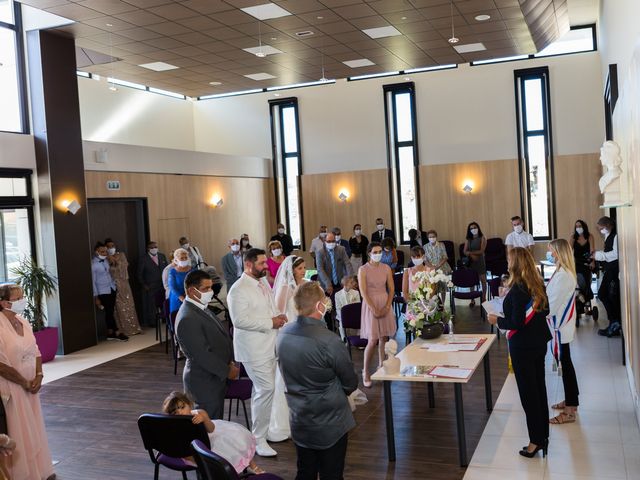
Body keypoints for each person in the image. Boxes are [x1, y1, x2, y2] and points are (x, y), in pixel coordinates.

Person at [277, 281, 359, 480]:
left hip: (299, 416)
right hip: (329, 421)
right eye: (324, 300)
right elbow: (350, 382)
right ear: (318, 306)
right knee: (332, 473)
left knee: (305, 471)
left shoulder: (283, 334)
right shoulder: (329, 340)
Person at [487, 247, 551, 458]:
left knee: (528, 394)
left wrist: (497, 319)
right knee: (539, 390)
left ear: (515, 263)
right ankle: (543, 436)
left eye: (509, 259)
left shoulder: (517, 289)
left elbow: (516, 322)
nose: (506, 262)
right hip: (539, 342)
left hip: (522, 346)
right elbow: (546, 310)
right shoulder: (537, 283)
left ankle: (535, 441)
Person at [227, 248, 290, 457]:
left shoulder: (262, 282)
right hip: (253, 349)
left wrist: (277, 316)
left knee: (261, 390)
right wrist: (270, 322)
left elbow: (269, 306)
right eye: (262, 263)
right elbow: (239, 321)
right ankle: (259, 438)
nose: (266, 266)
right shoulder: (238, 289)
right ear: (248, 264)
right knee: (266, 389)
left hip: (269, 344)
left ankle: (260, 433)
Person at [0, 284, 55, 480]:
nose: (22, 301)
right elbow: (1, 365)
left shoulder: (23, 321)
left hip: (31, 384)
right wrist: (23, 382)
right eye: (17, 298)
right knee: (19, 428)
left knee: (34, 425)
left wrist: (38, 375)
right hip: (12, 387)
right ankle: (23, 473)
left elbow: (36, 351)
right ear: (4, 302)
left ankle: (39, 469)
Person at [175, 270, 236, 420]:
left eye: (210, 287)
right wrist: (226, 371)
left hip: (214, 377)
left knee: (216, 424)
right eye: (205, 289)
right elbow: (201, 355)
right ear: (191, 291)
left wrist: (230, 362)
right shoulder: (187, 318)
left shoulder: (201, 306)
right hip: (204, 382)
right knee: (209, 430)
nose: (210, 292)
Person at [162, 391, 264, 475]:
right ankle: (223, 472)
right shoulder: (174, 424)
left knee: (234, 440)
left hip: (210, 436)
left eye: (182, 407)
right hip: (193, 448)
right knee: (216, 457)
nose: (180, 412)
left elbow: (211, 429)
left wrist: (204, 420)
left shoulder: (199, 413)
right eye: (175, 412)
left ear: (189, 404)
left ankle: (252, 466)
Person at [545, 239, 580, 425]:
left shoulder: (564, 275)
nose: (549, 254)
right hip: (560, 326)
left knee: (566, 366)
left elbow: (550, 306)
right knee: (566, 364)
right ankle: (571, 401)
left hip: (561, 327)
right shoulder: (561, 272)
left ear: (559, 253)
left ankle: (570, 411)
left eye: (551, 251)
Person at [359, 242, 396, 388]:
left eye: (380, 251)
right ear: (369, 253)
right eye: (375, 252)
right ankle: (366, 371)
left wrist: (387, 305)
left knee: (383, 337)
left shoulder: (386, 268)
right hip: (370, 303)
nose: (378, 254)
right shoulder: (363, 269)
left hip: (384, 300)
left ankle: (381, 365)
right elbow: (363, 291)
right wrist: (373, 308)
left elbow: (392, 289)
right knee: (372, 340)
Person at [105, 238, 142, 336]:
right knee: (118, 307)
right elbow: (107, 271)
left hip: (124, 284)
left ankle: (134, 327)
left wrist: (115, 261)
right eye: (108, 247)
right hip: (113, 285)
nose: (111, 248)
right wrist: (110, 259)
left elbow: (124, 267)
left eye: (112, 246)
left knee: (129, 305)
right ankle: (122, 329)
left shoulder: (121, 255)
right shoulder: (105, 258)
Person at [92, 242, 128, 341]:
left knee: (110, 311)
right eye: (102, 252)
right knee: (109, 312)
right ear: (97, 252)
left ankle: (110, 333)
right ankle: (117, 332)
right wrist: (96, 298)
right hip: (102, 291)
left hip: (111, 288)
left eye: (105, 251)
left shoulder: (106, 261)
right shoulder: (93, 265)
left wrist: (110, 257)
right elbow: (93, 282)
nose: (104, 253)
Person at [594, 216, 621, 337]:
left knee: (607, 295)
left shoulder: (616, 236)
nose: (601, 231)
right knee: (604, 294)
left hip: (614, 270)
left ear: (608, 226)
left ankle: (615, 322)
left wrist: (600, 256)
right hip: (609, 269)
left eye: (601, 228)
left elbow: (616, 254)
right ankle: (613, 322)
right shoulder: (609, 235)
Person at [137, 240, 169, 327]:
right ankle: (152, 322)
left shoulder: (162, 256)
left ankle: (165, 318)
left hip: (163, 284)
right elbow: (139, 274)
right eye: (152, 247)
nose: (154, 249)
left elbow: (167, 269)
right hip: (150, 286)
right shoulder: (143, 259)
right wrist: (144, 285)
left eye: (155, 247)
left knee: (164, 302)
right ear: (148, 249)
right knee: (151, 304)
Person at [569, 220, 595, 313]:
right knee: (578, 279)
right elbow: (569, 251)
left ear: (584, 226)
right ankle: (579, 296)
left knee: (586, 279)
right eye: (576, 226)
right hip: (576, 263)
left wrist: (592, 261)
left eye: (580, 226)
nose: (578, 228)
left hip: (587, 262)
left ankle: (586, 298)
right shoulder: (573, 237)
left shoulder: (589, 236)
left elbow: (592, 250)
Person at [274, 256, 308, 323]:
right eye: (300, 268)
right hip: (290, 323)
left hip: (306, 321)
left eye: (304, 267)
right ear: (292, 270)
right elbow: (279, 312)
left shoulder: (306, 284)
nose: (303, 270)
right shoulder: (285, 288)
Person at [463, 222, 487, 303]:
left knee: (483, 280)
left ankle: (483, 297)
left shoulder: (482, 238)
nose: (473, 229)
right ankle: (472, 299)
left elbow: (482, 251)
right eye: (471, 228)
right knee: (471, 281)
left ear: (478, 228)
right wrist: (470, 254)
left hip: (480, 262)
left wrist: (470, 253)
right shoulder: (468, 239)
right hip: (471, 262)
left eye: (475, 227)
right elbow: (464, 251)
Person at [335, 275, 361, 341]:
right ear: (345, 283)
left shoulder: (356, 292)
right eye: (351, 282)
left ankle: (359, 338)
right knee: (341, 322)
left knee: (360, 318)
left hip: (354, 314)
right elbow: (338, 308)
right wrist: (344, 316)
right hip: (342, 315)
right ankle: (344, 340)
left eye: (353, 282)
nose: (354, 283)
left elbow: (358, 307)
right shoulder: (337, 294)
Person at [168, 248, 193, 314]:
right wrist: (181, 298)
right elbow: (172, 287)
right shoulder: (172, 271)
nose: (184, 259)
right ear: (176, 260)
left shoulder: (192, 270)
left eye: (186, 257)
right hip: (177, 298)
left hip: (191, 297)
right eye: (182, 258)